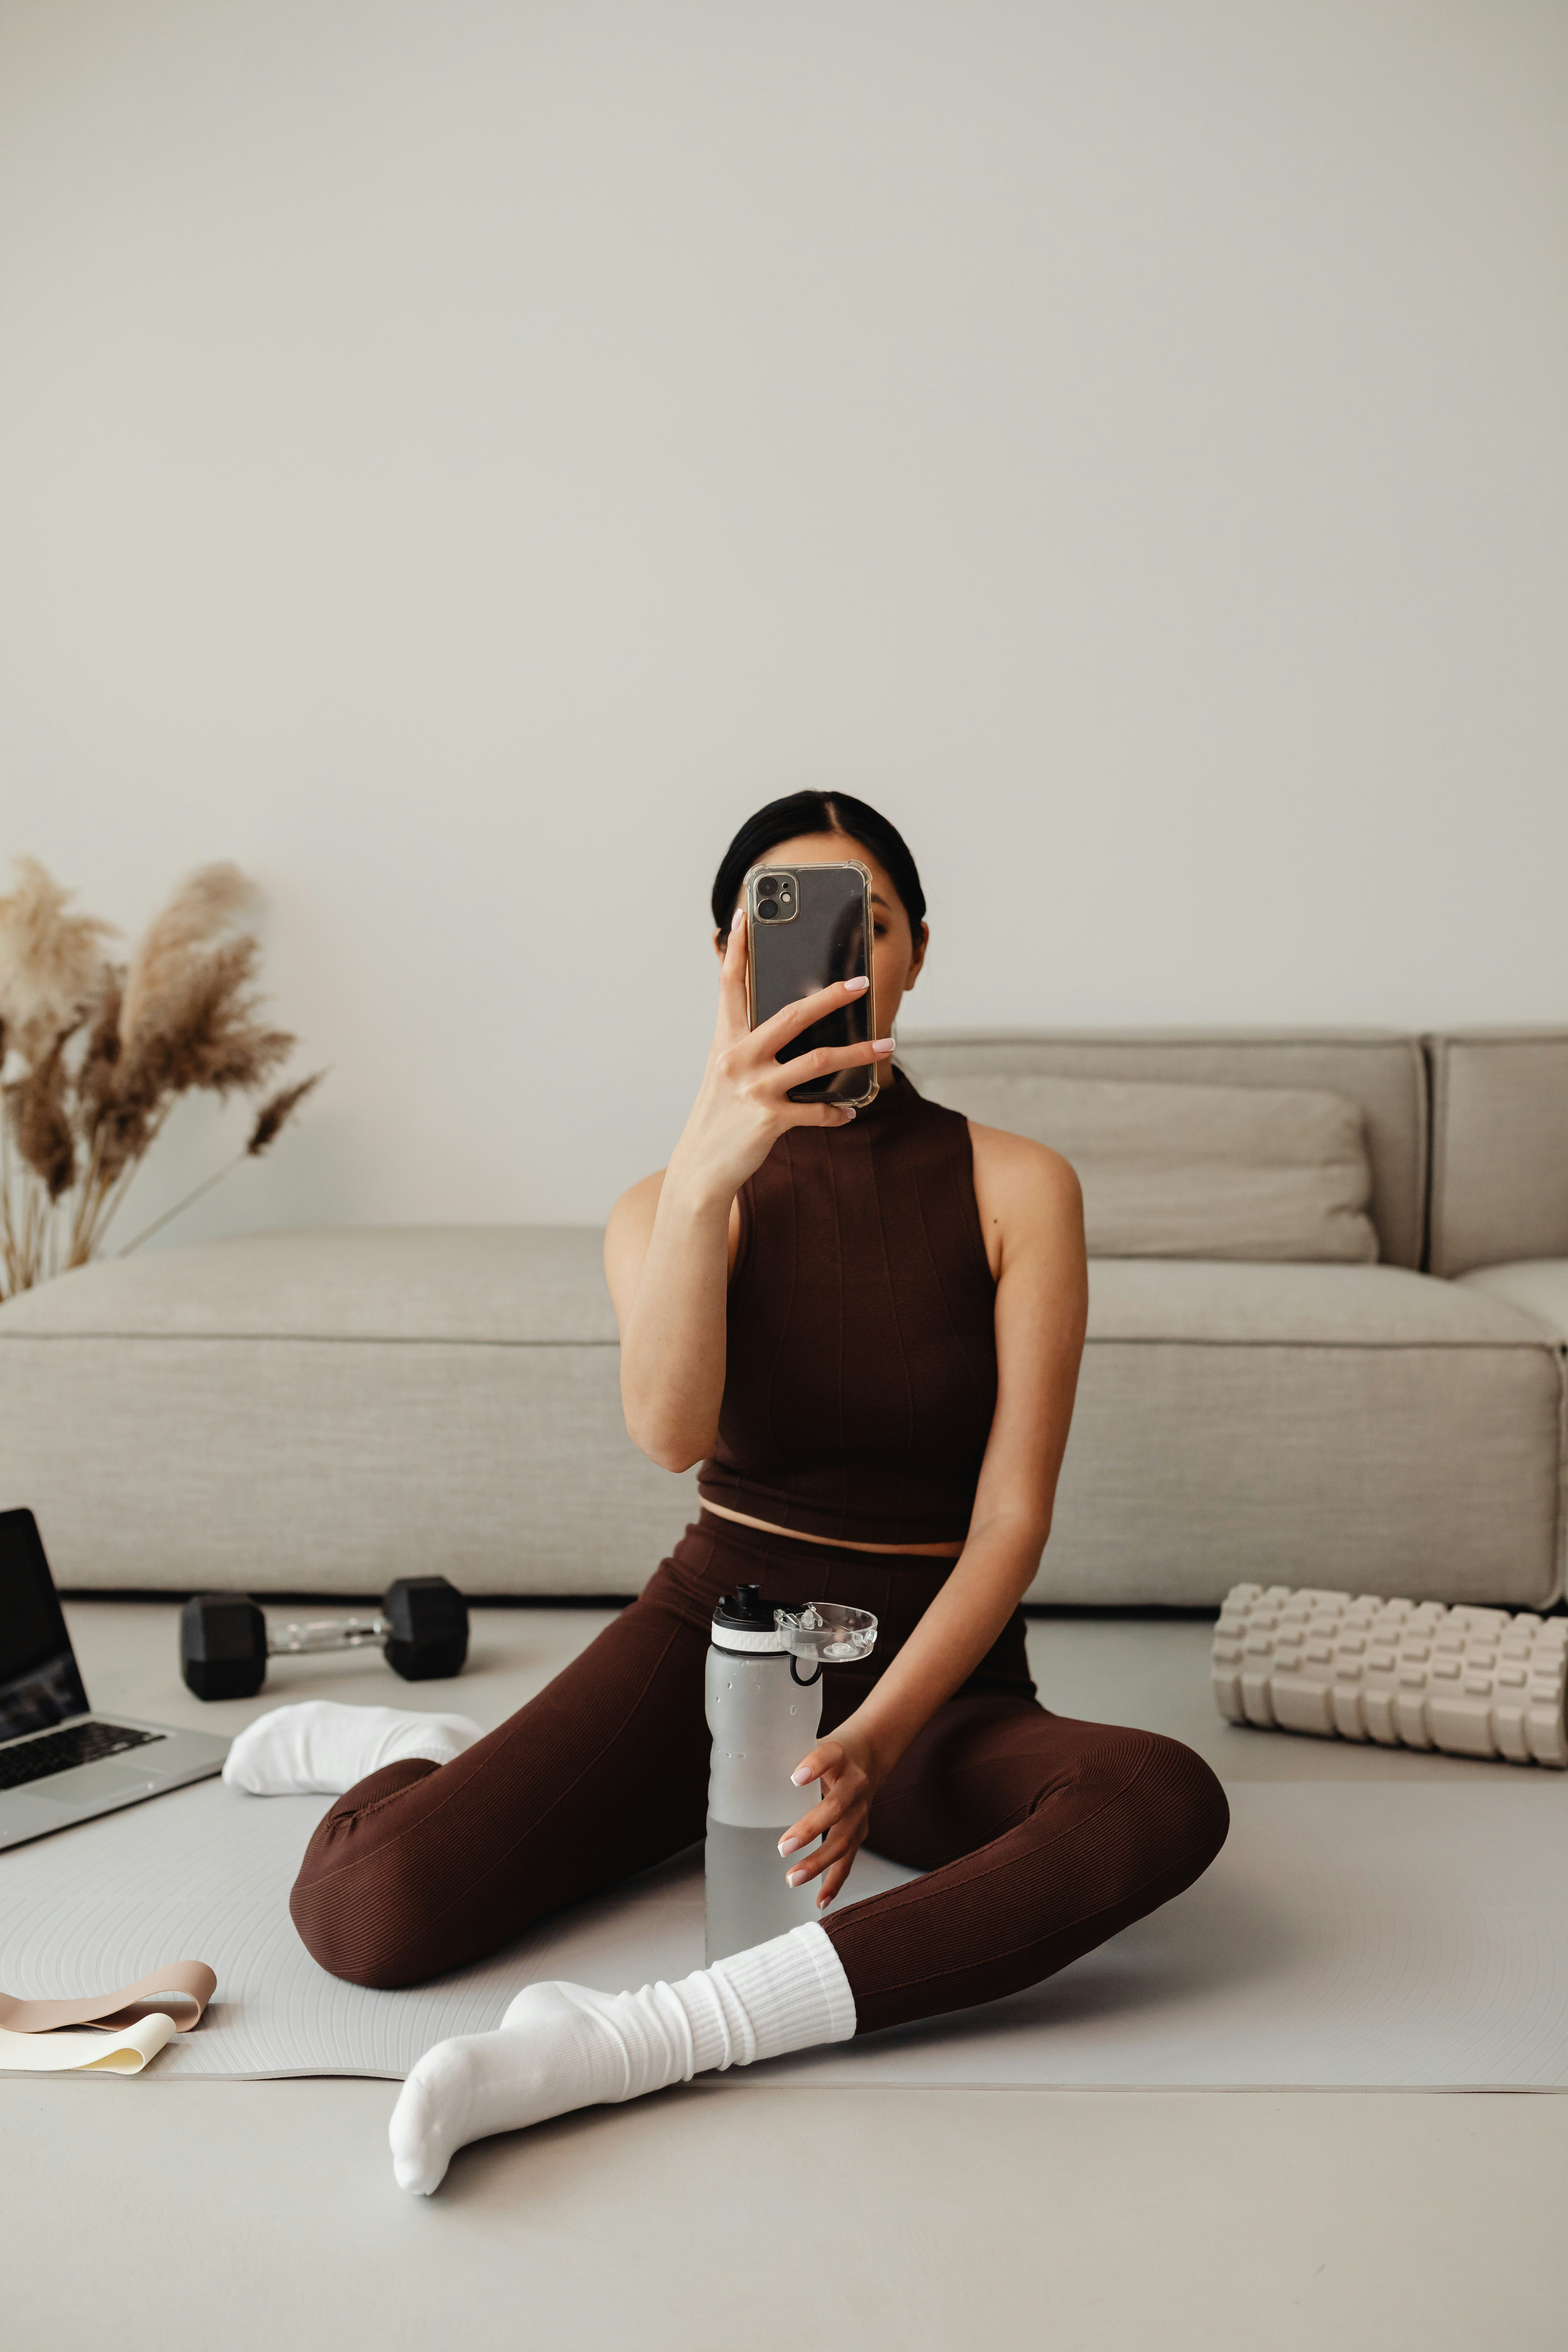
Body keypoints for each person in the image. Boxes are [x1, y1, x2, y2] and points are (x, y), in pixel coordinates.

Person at [232, 789, 1229, 2194]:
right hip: (710, 1649)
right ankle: (424, 1756)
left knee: (1159, 1799)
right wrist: (708, 1184)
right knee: (367, 1907)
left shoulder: (1021, 1187)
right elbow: (669, 1435)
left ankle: (646, 2040)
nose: (838, 958)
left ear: (915, 951)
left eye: (870, 921)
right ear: (728, 962)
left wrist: (874, 1744)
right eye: (785, 926)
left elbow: (1011, 1521)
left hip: (932, 1691)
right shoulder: (662, 1205)